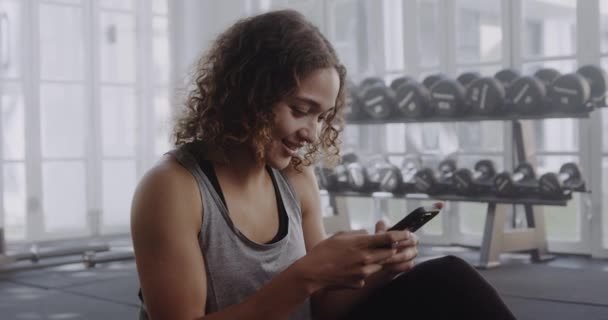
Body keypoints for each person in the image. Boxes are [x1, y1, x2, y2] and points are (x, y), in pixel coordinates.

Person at [130, 9, 516, 320]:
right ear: (247, 96)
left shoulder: (294, 177)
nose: (312, 134)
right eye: (301, 111)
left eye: (321, 118)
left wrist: (378, 270)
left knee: (447, 278)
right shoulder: (173, 188)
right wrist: (304, 277)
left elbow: (322, 309)